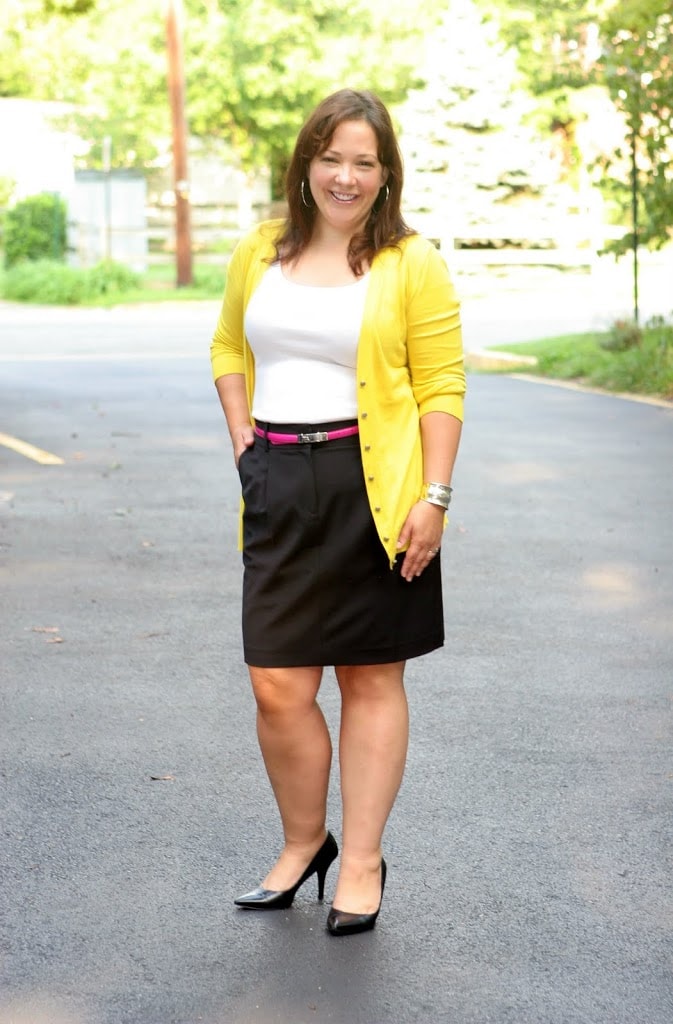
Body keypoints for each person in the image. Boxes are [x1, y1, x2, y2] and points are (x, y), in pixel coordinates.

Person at [210, 88, 465, 936]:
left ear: (385, 174)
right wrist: (241, 432)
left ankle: (359, 860)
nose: (345, 177)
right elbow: (227, 344)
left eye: (363, 161)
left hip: (375, 485)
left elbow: (441, 383)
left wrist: (433, 497)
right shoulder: (258, 249)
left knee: (368, 674)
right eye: (330, 158)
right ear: (305, 163)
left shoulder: (410, 261)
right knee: (277, 682)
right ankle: (302, 842)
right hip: (277, 481)